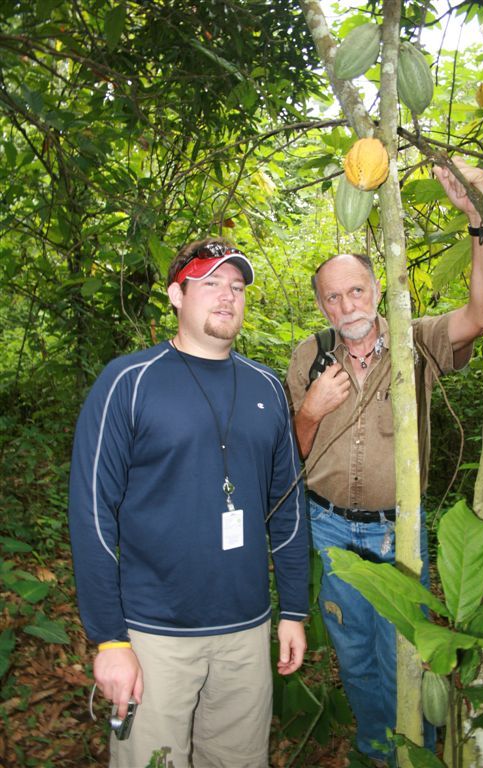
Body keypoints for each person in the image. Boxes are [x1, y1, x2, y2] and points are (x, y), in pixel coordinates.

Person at [285, 158, 483, 763]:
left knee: (404, 654)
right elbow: (290, 455)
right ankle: (378, 749)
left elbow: (481, 314)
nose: (346, 304)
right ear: (323, 306)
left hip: (394, 533)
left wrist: (477, 221)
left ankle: (415, 751)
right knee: (353, 656)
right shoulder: (309, 356)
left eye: (356, 290)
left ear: (377, 290)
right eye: (333, 296)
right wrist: (312, 409)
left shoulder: (416, 340)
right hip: (327, 526)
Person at [68, 237, 309, 768]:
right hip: (153, 632)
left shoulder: (267, 385)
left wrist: (293, 609)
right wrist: (109, 640)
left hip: (246, 630)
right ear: (177, 295)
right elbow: (91, 514)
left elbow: (287, 509)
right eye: (209, 283)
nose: (227, 296)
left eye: (237, 286)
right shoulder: (128, 382)